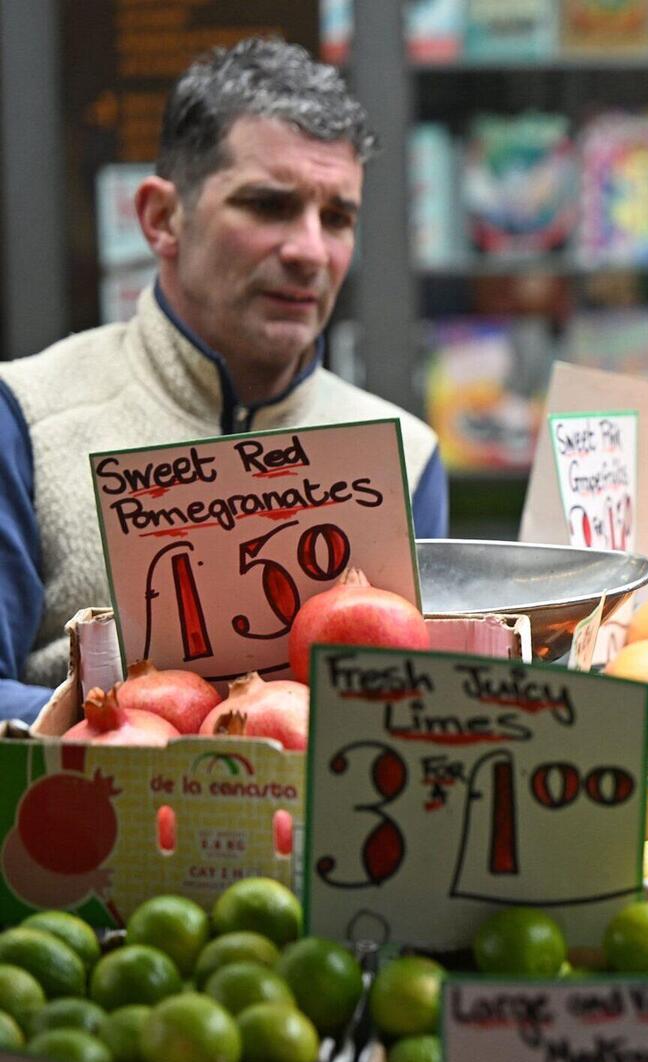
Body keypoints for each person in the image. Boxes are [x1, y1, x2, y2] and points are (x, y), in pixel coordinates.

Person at [0, 38, 446, 722]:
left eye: (337, 218)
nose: (309, 251)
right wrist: (138, 732)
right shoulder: (26, 414)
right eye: (268, 206)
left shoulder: (406, 455)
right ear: (160, 218)